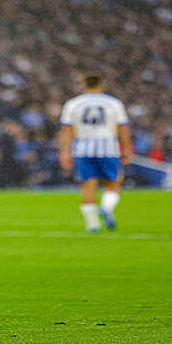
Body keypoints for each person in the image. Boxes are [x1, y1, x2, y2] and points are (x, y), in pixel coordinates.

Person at [59, 73, 133, 232]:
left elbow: (67, 129)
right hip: (108, 147)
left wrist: (65, 151)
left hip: (82, 148)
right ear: (102, 85)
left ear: (84, 85)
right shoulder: (114, 103)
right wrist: (127, 148)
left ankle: (92, 225)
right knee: (114, 181)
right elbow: (122, 128)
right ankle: (106, 208)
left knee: (88, 185)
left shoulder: (73, 104)